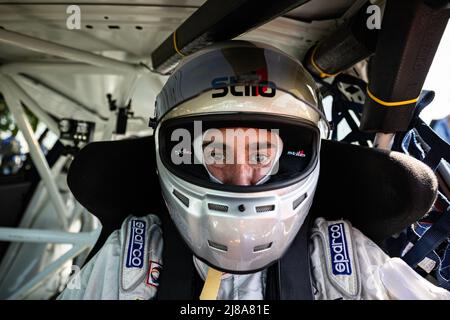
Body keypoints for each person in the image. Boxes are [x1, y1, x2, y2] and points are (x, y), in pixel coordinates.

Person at [58, 41, 450, 300]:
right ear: (182, 155)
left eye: (261, 154)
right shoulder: (136, 254)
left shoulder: (337, 257)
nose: (242, 176)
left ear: (293, 157)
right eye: (217, 152)